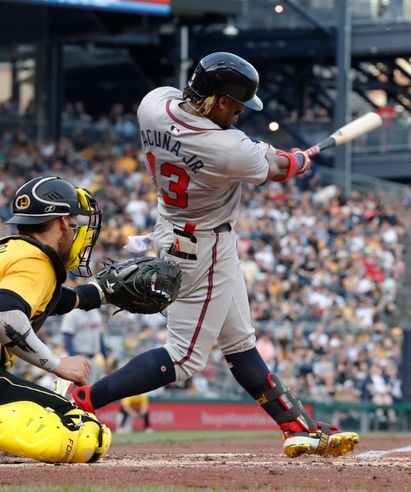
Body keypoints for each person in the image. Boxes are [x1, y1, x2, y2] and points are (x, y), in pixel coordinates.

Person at [70, 52, 358, 458]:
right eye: (237, 106)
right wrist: (297, 160)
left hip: (175, 227)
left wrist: (269, 153)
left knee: (239, 341)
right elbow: (276, 167)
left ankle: (297, 426)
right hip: (200, 245)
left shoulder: (153, 104)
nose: (239, 114)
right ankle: (83, 400)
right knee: (184, 358)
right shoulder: (231, 148)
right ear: (221, 101)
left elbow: (223, 137)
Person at [0, 176, 111, 463]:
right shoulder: (37, 261)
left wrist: (100, 295)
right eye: (74, 224)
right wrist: (57, 364)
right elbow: (5, 313)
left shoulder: (12, 251)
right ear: (63, 222)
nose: (76, 233)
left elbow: (52, 299)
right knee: (84, 431)